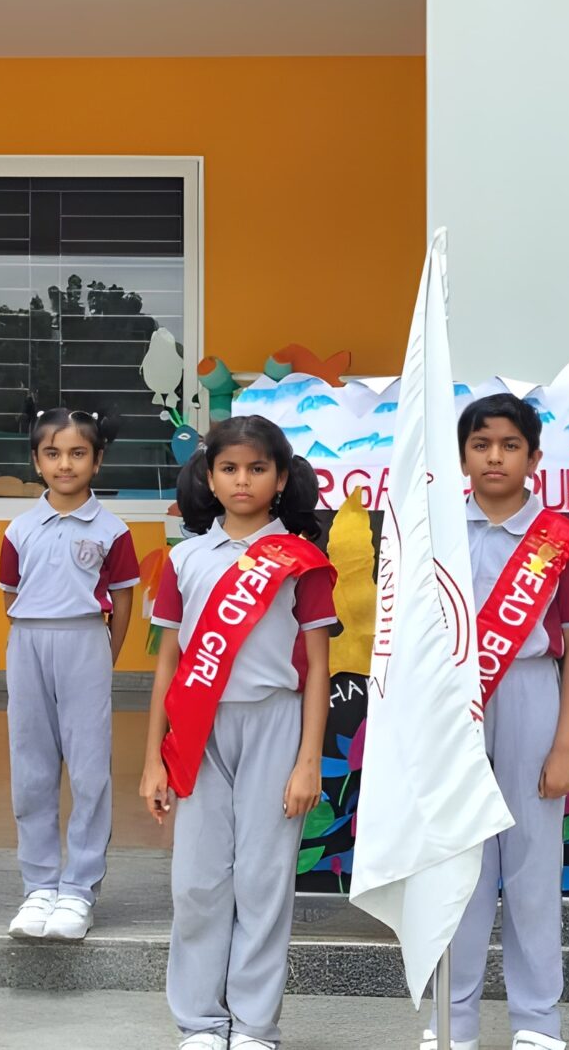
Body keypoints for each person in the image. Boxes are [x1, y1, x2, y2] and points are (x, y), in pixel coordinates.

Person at [141, 416, 338, 1050]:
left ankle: (254, 1027)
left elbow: (316, 667)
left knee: (262, 880)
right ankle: (199, 1023)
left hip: (275, 724)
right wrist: (152, 760)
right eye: (229, 468)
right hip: (199, 726)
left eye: (257, 468)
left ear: (281, 478)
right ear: (209, 476)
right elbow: (167, 663)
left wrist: (309, 760)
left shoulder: (302, 560)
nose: (242, 479)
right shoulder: (185, 558)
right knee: (197, 882)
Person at [422, 393, 569, 1050]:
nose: (494, 457)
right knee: (457, 865)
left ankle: (536, 1023)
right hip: (452, 703)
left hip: (531, 692)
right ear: (462, 455)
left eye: (509, 445)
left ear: (535, 457)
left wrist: (564, 743)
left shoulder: (561, 539)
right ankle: (452, 1021)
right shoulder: (435, 530)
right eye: (480, 444)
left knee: (531, 870)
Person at [0, 409, 140, 941]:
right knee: (31, 766)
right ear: (36, 460)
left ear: (98, 460)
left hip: (86, 640)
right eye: (53, 453)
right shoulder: (19, 527)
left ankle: (78, 889)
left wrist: (108, 651)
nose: (65, 464)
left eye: (78, 453)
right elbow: (11, 593)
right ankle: (39, 886)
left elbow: (124, 598)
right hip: (29, 640)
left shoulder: (112, 529)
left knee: (88, 771)